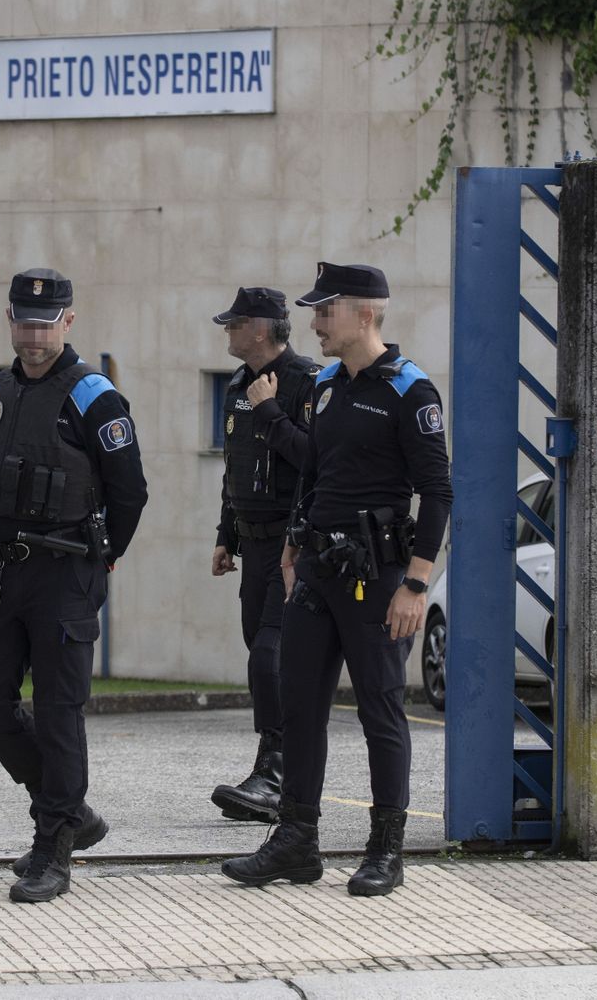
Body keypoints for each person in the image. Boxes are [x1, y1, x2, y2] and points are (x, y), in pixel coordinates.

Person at [220, 262, 451, 898]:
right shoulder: (325, 386)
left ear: (365, 314)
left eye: (326, 311)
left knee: (380, 709)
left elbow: (437, 493)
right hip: (317, 572)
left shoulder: (410, 391)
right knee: (298, 704)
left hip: (378, 577)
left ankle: (386, 849)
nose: (316, 323)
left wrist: (416, 584)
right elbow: (314, 472)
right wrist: (294, 542)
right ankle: (297, 841)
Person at [0, 267, 148, 904]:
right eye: (24, 322)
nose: (34, 335)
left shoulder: (93, 396)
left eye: (46, 324)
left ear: (68, 321)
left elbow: (130, 492)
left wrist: (103, 559)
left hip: (66, 572)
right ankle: (68, 810)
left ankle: (54, 848)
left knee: (58, 711)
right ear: (9, 319)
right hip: (4, 571)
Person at [208, 287, 320, 824]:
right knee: (261, 651)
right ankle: (280, 773)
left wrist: (270, 410)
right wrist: (225, 535)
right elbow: (234, 468)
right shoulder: (236, 384)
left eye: (234, 324)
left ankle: (274, 776)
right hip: (251, 544)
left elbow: (314, 462)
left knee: (270, 655)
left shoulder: (307, 382)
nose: (227, 332)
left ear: (260, 329)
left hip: (291, 545)